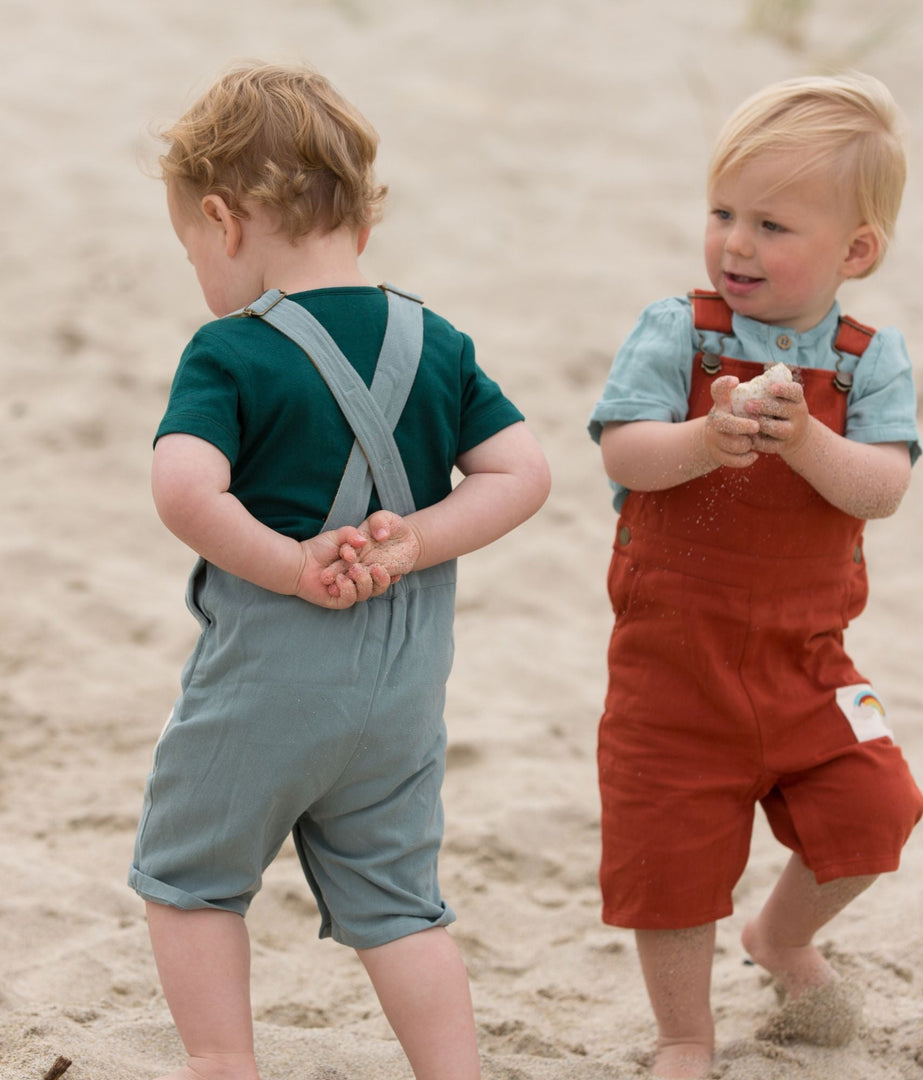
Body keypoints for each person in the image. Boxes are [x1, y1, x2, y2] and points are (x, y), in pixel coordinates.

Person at [128, 61, 550, 1080]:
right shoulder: (435, 339)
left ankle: (224, 1064)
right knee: (400, 904)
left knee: (188, 879)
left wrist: (286, 566)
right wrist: (416, 539)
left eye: (195, 251)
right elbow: (523, 472)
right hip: (404, 681)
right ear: (359, 223)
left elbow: (183, 489)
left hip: (272, 680)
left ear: (224, 223)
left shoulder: (231, 351)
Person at [588, 72, 923, 1078]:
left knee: (877, 806)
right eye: (722, 213)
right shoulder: (677, 331)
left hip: (807, 654)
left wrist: (807, 443)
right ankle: (683, 1033)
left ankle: (780, 936)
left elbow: (883, 486)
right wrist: (705, 439)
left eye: (772, 225)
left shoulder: (870, 360)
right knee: (673, 860)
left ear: (854, 252)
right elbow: (624, 452)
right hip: (673, 663)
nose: (735, 243)